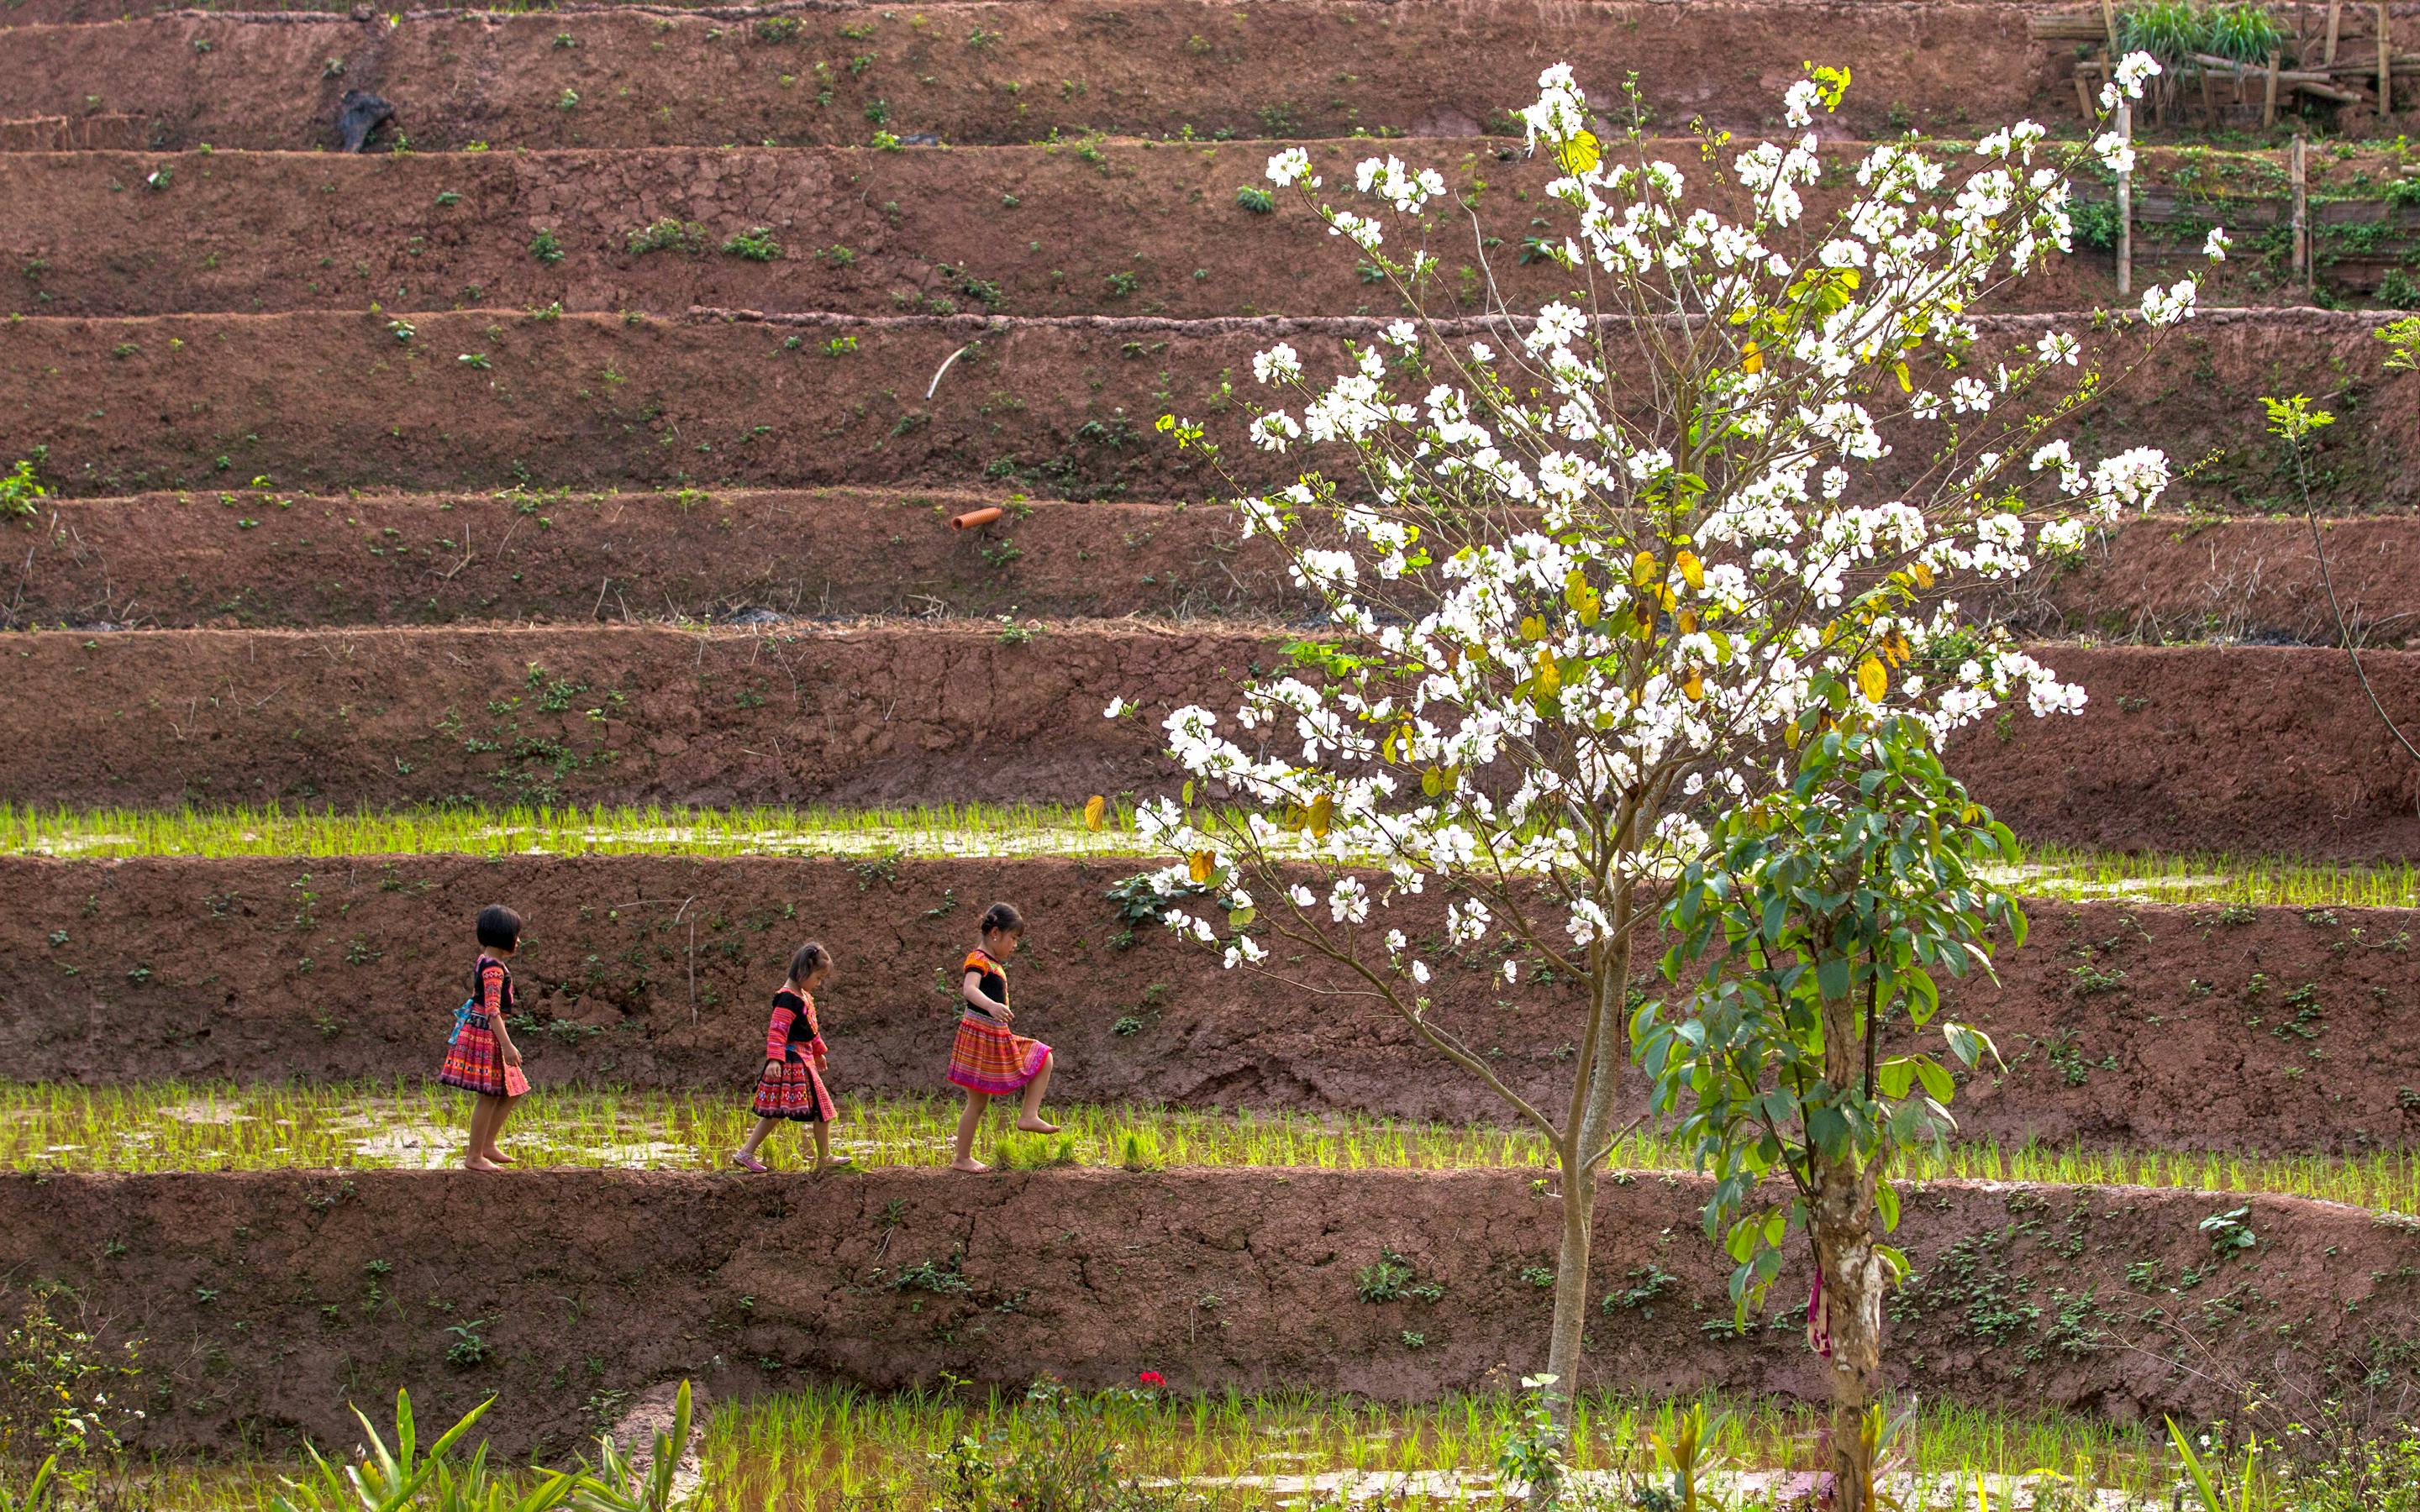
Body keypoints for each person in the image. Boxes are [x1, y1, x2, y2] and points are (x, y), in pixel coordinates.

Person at [946, 902, 1058, 1173]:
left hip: (995, 1036)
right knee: (977, 1102)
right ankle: (962, 1158)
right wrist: (991, 1006)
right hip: (980, 1037)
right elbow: (969, 990)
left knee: (1043, 1058)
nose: (1015, 945)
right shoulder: (978, 960)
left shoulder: (993, 963)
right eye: (1014, 939)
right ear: (996, 934)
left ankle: (1029, 1115)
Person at [732, 942, 850, 1173]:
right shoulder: (787, 998)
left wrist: (819, 1052)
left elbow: (810, 1029)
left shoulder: (802, 996)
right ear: (803, 972)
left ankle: (746, 1153)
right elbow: (777, 1031)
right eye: (818, 978)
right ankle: (823, 1157)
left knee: (786, 1111)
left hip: (803, 1059)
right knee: (814, 1108)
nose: (819, 983)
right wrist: (775, 1060)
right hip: (792, 1061)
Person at [439, 905, 528, 1173]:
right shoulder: (493, 970)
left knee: (514, 1090)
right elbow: (492, 1011)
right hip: (485, 1034)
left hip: (485, 1032)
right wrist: (508, 1045)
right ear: (504, 938)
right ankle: (475, 1155)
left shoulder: (487, 960)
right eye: (516, 935)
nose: (519, 940)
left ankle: (487, 1145)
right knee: (489, 1094)